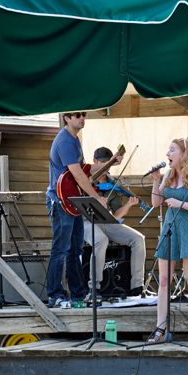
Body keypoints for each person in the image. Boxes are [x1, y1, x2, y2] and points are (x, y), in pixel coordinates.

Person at [45, 112, 120, 307]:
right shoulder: (65, 141)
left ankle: (78, 293)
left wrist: (109, 163)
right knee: (60, 250)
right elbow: (78, 175)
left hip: (72, 201)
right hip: (61, 202)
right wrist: (96, 198)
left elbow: (85, 169)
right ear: (67, 118)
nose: (82, 118)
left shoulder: (75, 140)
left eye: (83, 115)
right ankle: (55, 295)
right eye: (77, 115)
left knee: (75, 250)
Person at [149, 138, 188, 345]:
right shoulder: (168, 174)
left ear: (184, 154)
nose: (168, 153)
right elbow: (156, 202)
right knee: (164, 280)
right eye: (168, 149)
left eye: (172, 150)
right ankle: (160, 326)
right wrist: (156, 180)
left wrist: (181, 204)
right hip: (170, 227)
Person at [83, 146, 147, 299]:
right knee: (100, 240)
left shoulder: (114, 183)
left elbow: (117, 214)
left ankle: (137, 286)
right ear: (94, 162)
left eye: (108, 164)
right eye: (102, 163)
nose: (105, 167)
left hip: (107, 221)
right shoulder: (85, 179)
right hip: (86, 220)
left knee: (138, 239)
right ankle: (95, 288)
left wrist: (129, 205)